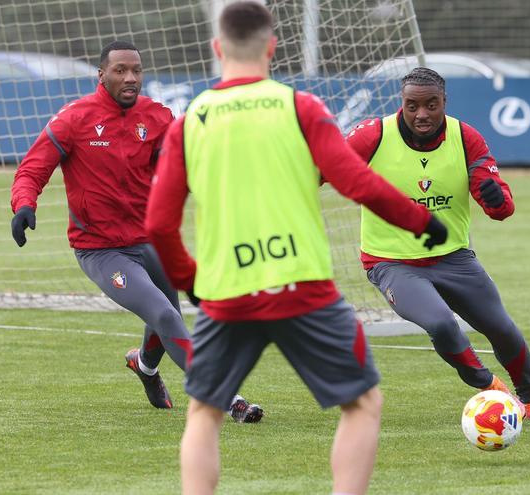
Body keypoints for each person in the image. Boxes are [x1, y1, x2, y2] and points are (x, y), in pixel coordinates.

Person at [144, 3, 448, 494]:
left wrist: (191, 280)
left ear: (218, 49)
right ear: (272, 48)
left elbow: (158, 224)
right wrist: (420, 221)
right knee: (363, 404)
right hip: (304, 291)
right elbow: (357, 183)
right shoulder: (300, 108)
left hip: (229, 293)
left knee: (204, 412)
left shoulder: (189, 122)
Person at [9, 40, 262, 422]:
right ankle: (227, 398)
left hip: (151, 241)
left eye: (136, 71)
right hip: (102, 250)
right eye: (120, 70)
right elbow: (32, 168)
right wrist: (24, 204)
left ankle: (143, 366)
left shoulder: (158, 117)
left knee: (165, 319)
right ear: (102, 75)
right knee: (164, 313)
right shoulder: (73, 120)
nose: (130, 78)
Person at [346, 67, 530, 422]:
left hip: (454, 258)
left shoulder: (466, 138)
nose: (421, 114)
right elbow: (320, 169)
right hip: (393, 263)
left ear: (444, 102)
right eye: (412, 105)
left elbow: (501, 210)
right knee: (442, 324)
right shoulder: (372, 136)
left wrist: (497, 198)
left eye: (431, 105)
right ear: (401, 103)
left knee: (502, 328)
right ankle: (490, 387)